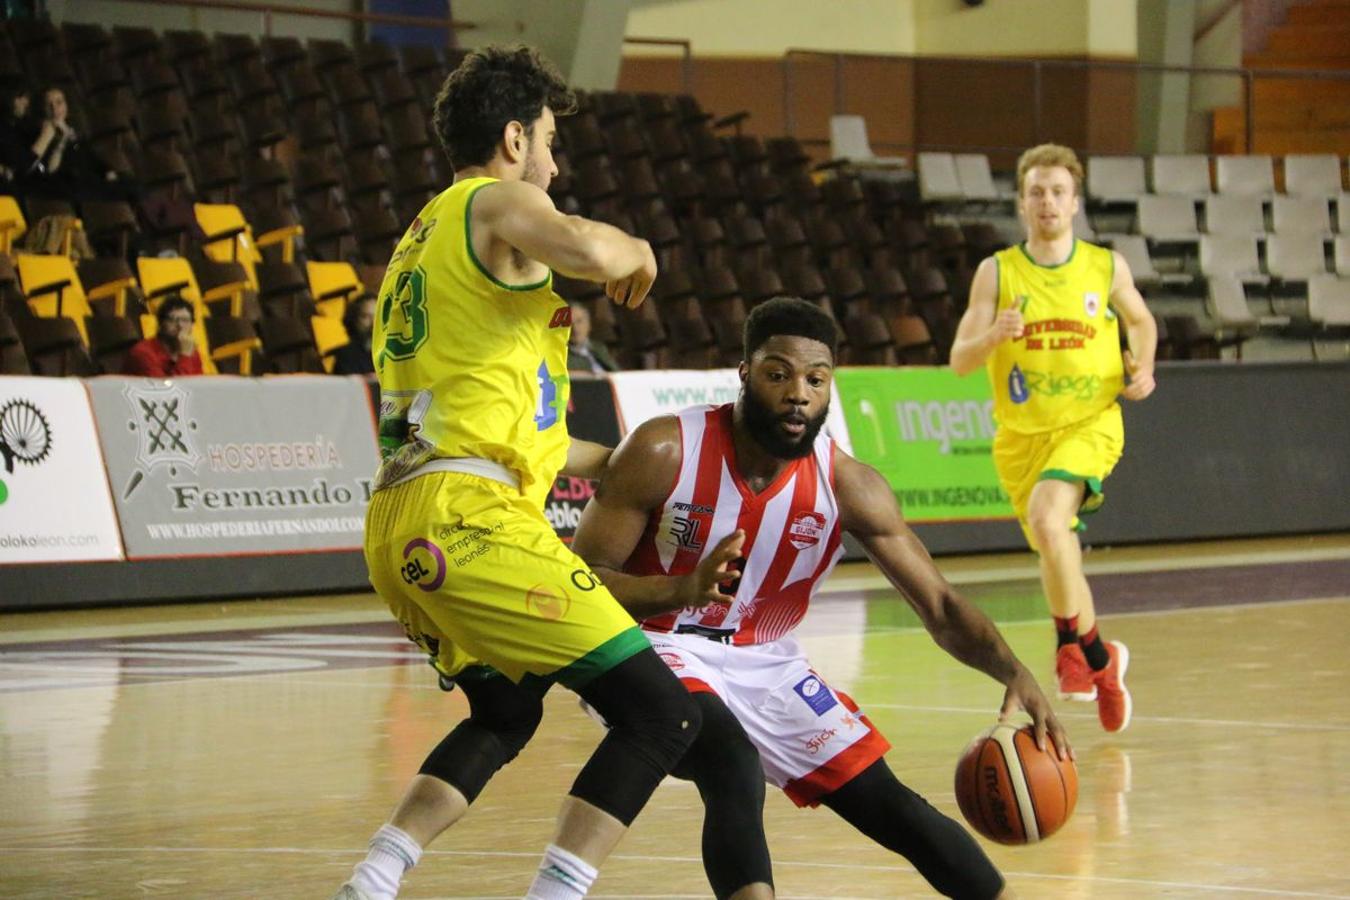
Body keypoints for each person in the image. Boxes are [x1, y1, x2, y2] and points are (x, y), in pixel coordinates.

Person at [333, 45, 702, 900]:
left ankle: (376, 874)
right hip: (468, 517)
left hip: (404, 519)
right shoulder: (492, 200)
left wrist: (623, 466)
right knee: (661, 713)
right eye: (547, 142)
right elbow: (588, 249)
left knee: (507, 710)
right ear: (511, 139)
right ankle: (558, 892)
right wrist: (639, 246)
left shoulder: (420, 242)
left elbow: (523, 437)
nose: (554, 162)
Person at [571, 296, 1071, 900]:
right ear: (745, 375)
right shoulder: (664, 449)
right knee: (730, 763)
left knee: (888, 803)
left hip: (766, 659)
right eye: (778, 374)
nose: (798, 393)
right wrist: (676, 589)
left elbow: (939, 606)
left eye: (815, 379)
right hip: (654, 644)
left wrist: (1012, 669)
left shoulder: (850, 486)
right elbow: (584, 580)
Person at [949, 143, 1157, 734]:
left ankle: (1070, 649)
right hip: (1021, 439)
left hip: (1090, 421)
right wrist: (993, 335)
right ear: (1022, 203)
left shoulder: (1105, 265)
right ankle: (1101, 658)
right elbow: (960, 360)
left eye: (1058, 191)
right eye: (1036, 191)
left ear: (1074, 202)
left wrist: (1142, 366)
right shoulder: (997, 271)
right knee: (1054, 543)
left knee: (1048, 520)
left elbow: (1141, 321)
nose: (1047, 201)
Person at [122, 297, 203, 377]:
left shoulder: (192, 352)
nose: (180, 325)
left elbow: (199, 387)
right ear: (160, 324)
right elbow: (169, 389)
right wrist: (185, 356)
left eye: (185, 320)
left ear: (192, 325)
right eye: (173, 320)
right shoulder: (143, 353)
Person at [565, 302, 617, 373]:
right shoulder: (562, 356)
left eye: (579, 321)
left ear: (588, 323)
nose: (575, 328)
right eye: (569, 324)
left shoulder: (600, 348)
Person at [332, 294, 376, 375]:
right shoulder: (346, 355)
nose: (374, 323)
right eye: (366, 316)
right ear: (354, 320)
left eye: (378, 317)